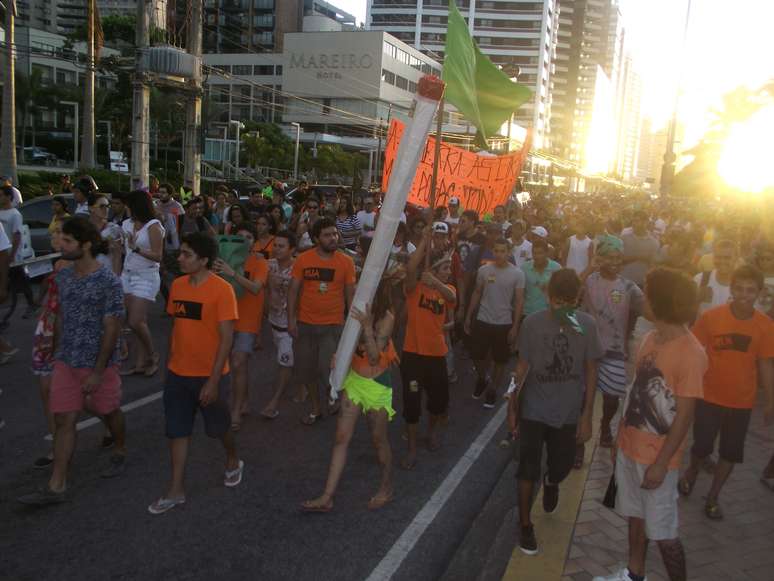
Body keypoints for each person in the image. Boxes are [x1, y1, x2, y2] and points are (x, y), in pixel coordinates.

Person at [596, 268, 707, 581]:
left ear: (662, 303)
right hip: (631, 448)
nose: (642, 298)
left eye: (647, 292)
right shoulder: (648, 338)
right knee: (634, 515)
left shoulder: (691, 353)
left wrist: (661, 464)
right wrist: (620, 435)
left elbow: (685, 416)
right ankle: (634, 573)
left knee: (664, 533)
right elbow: (635, 392)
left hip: (657, 459)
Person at [18, 217, 128, 505]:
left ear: (86, 244)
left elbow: (112, 327)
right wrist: (57, 353)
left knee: (109, 410)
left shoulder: (108, 282)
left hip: (97, 363)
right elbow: (61, 316)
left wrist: (98, 371)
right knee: (64, 418)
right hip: (66, 360)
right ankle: (57, 484)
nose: (60, 245)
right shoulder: (64, 277)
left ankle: (119, 446)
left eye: (67, 241)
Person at [148, 232, 243, 514]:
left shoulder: (222, 290)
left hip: (209, 375)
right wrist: (169, 365)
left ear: (204, 260)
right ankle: (176, 489)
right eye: (181, 253)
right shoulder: (177, 286)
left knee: (218, 429)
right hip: (178, 374)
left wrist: (213, 382)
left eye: (187, 254)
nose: (180, 258)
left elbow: (226, 340)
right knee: (177, 430)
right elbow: (177, 329)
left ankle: (233, 459)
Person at [513, 269, 602, 555]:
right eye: (556, 302)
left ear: (578, 299)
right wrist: (510, 407)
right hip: (533, 409)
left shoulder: (587, 326)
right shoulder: (532, 325)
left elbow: (591, 369)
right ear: (548, 297)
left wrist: (587, 415)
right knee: (526, 469)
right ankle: (525, 525)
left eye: (568, 303)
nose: (561, 309)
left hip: (567, 412)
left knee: (562, 466)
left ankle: (552, 481)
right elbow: (522, 367)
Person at [677, 265, 774, 519]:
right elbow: (695, 351)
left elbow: (765, 363)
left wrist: (770, 401)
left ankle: (713, 496)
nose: (744, 295)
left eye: (750, 290)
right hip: (708, 396)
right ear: (731, 289)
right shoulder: (711, 318)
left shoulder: (765, 326)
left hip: (741, 403)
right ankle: (692, 471)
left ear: (760, 293)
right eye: (739, 289)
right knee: (702, 445)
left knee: (730, 452)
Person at [301, 280, 397, 513]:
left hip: (376, 386)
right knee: (341, 437)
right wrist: (339, 357)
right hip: (354, 381)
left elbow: (374, 357)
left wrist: (366, 326)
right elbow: (347, 341)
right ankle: (327, 496)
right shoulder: (353, 308)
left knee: (378, 440)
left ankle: (386, 487)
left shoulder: (386, 318)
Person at [288, 217, 356, 424]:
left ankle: (333, 395)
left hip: (332, 326)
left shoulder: (346, 262)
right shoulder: (303, 259)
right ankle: (316, 408)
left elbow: (350, 297)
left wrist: (352, 328)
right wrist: (291, 320)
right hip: (305, 325)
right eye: (327, 235)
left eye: (335, 234)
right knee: (306, 370)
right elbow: (293, 291)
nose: (333, 238)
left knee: (328, 368)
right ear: (316, 238)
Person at [580, 235, 644, 449]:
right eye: (610, 258)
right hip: (587, 350)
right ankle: (579, 442)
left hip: (614, 351)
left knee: (611, 399)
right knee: (582, 399)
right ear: (600, 258)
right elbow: (571, 287)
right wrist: (590, 268)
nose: (616, 263)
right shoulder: (589, 280)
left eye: (619, 258)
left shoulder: (628, 287)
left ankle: (605, 425)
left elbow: (647, 307)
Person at [400, 228, 456, 469]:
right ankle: (412, 448)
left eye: (449, 269)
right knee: (412, 405)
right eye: (444, 268)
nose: (448, 272)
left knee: (437, 402)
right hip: (412, 356)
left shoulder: (448, 290)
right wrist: (424, 240)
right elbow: (411, 269)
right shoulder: (415, 289)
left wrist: (436, 283)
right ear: (432, 269)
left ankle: (431, 432)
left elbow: (451, 298)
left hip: (436, 356)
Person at [213, 222, 268, 431]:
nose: (244, 240)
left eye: (249, 237)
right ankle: (243, 400)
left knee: (238, 362)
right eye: (239, 236)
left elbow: (255, 288)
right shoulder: (220, 260)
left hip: (247, 320)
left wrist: (233, 273)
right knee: (229, 365)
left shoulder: (259, 262)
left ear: (254, 242)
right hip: (225, 318)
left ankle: (235, 411)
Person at [465, 237, 524, 408]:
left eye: (502, 251)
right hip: (483, 319)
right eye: (496, 251)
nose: (498, 254)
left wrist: (515, 326)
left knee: (500, 361)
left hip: (504, 323)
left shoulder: (517, 274)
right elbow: (476, 292)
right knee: (477, 356)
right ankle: (483, 378)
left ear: (509, 252)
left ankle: (493, 390)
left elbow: (519, 301)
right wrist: (469, 315)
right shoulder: (484, 270)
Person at [30, 223, 70, 467]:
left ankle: (111, 423)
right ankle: (57, 444)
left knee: (79, 395)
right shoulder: (57, 263)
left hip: (61, 331)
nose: (52, 236)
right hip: (47, 327)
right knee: (47, 391)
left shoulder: (74, 266)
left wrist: (58, 338)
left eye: (58, 233)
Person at [120, 190, 164, 377]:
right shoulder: (126, 224)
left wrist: (136, 248)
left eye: (128, 205)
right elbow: (122, 250)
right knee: (137, 323)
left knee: (135, 320)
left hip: (146, 276)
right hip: (127, 274)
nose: (125, 208)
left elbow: (158, 255)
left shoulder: (154, 226)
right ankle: (140, 363)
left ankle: (153, 355)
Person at [261, 231, 297, 419]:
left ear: (292, 249)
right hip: (273, 322)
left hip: (290, 326)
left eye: (281, 246)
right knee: (289, 360)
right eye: (275, 245)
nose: (276, 249)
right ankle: (304, 384)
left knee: (284, 363)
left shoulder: (299, 269)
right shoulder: (268, 265)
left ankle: (274, 401)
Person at [0, 185, 37, 317]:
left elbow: (17, 236)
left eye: (1, 195)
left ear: (9, 197)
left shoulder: (15, 214)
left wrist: (12, 255)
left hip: (14, 256)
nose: (0, 197)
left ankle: (31, 304)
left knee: (22, 282)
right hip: (2, 254)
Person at [694, 239, 737, 316]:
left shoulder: (743, 286)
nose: (722, 261)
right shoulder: (700, 279)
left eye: (727, 258)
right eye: (718, 257)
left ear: (736, 259)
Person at [522, 237, 562, 317]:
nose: (536, 256)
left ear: (547, 253)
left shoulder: (556, 268)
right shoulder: (524, 268)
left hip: (548, 313)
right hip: (528, 313)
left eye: (540, 253)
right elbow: (521, 292)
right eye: (534, 253)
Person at [621, 211, 660, 288]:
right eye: (633, 221)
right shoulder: (624, 238)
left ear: (645, 222)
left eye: (637, 221)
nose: (634, 224)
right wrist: (639, 257)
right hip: (624, 281)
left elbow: (653, 265)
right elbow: (619, 259)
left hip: (642, 283)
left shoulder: (653, 242)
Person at [88, 193, 123, 275]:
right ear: (91, 208)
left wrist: (116, 279)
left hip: (107, 275)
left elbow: (117, 257)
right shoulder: (82, 229)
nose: (106, 209)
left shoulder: (113, 229)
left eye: (107, 206)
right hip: (86, 277)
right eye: (102, 206)